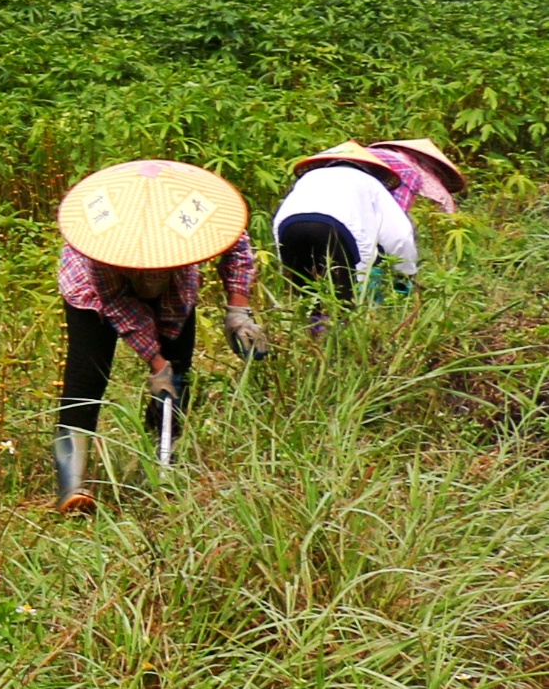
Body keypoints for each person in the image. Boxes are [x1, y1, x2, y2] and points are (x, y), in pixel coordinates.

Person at [51, 159, 263, 514]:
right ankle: (72, 488)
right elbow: (118, 305)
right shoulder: (99, 249)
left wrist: (237, 310)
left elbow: (236, 247)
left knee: (179, 374)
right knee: (86, 380)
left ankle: (166, 467)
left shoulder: (196, 221)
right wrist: (154, 361)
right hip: (95, 296)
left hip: (176, 288)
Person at [271, 145, 424, 310]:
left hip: (288, 228)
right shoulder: (371, 183)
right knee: (342, 305)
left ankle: (311, 330)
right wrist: (405, 273)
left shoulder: (308, 178)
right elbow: (399, 236)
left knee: (307, 299)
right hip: (335, 229)